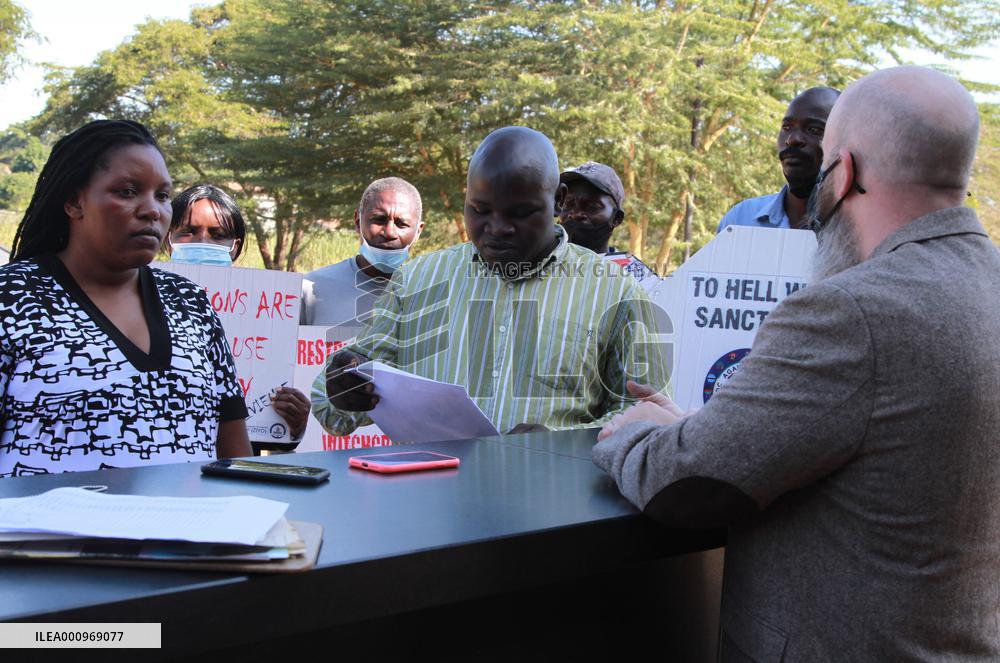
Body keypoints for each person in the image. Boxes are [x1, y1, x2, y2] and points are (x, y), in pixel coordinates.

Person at [593, 66, 1000, 660]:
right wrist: (701, 427)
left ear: (844, 172)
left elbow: (689, 483)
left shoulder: (850, 311)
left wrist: (634, 436)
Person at [313, 126, 668, 437]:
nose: (497, 228)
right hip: (430, 504)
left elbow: (651, 418)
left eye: (520, 212)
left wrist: (561, 442)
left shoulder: (616, 292)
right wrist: (342, 388)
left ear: (558, 200)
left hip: (555, 506)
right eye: (480, 211)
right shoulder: (418, 280)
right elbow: (334, 407)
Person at [0, 120, 252, 477]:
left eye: (162, 196)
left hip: (187, 532)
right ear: (74, 201)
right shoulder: (12, 298)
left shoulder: (190, 302)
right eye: (128, 191)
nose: (153, 211)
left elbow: (234, 450)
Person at [168, 184, 310, 442]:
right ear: (168, 238)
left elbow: (271, 438)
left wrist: (294, 426)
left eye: (217, 234)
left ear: (235, 245)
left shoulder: (272, 310)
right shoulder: (136, 299)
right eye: (188, 231)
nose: (203, 242)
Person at [300, 177, 424, 331]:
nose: (390, 232)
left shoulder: (430, 296)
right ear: (358, 222)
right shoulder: (309, 289)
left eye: (401, 224)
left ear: (418, 231)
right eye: (379, 220)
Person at [717, 86, 840, 232]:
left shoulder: (863, 230)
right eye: (787, 128)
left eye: (813, 130)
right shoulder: (740, 220)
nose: (792, 139)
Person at [558, 161, 659, 292]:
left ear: (616, 218)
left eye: (592, 207)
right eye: (568, 205)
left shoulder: (636, 278)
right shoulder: (538, 266)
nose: (575, 214)